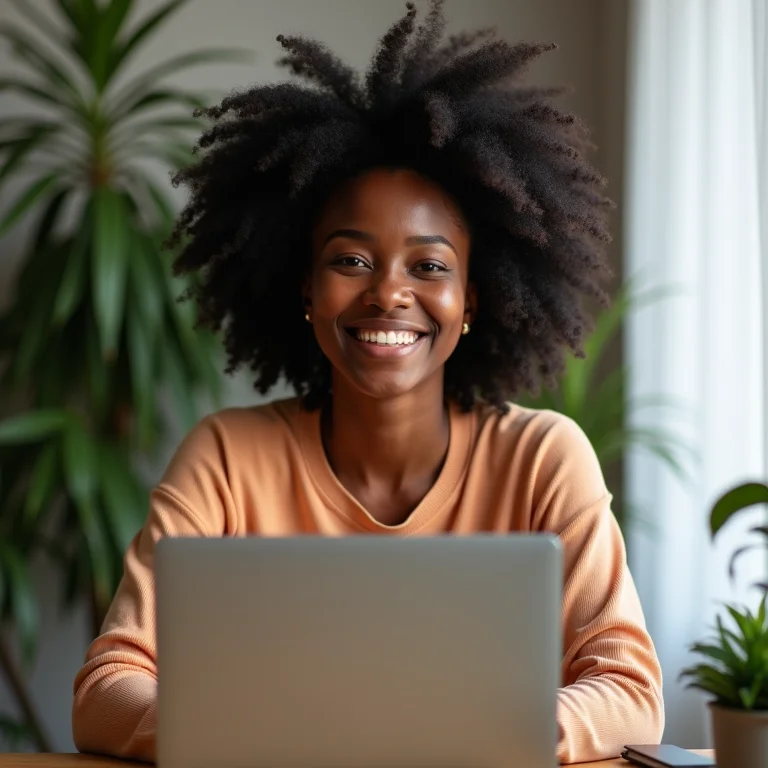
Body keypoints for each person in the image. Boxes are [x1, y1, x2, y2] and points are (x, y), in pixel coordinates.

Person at [72, 2, 664, 763]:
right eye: (351, 260)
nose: (389, 294)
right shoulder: (226, 459)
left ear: (472, 300)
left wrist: (483, 737)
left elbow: (631, 693)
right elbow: (106, 687)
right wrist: (246, 736)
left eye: (429, 266)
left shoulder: (543, 458)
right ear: (306, 291)